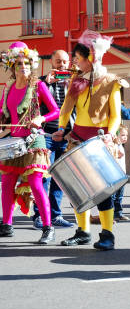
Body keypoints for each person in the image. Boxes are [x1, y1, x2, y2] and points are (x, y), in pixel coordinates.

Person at [54, 30, 126, 250]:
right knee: (77, 188)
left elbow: (115, 115)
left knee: (102, 190)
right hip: (77, 138)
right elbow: (66, 109)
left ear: (91, 58)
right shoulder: (76, 80)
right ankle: (83, 231)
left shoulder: (111, 81)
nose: (74, 61)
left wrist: (110, 134)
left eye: (78, 58)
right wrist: (59, 129)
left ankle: (107, 234)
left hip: (100, 141)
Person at [0, 42, 59, 244]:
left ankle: (47, 227)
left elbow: (55, 111)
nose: (23, 66)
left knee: (35, 183)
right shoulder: (7, 88)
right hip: (15, 141)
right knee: (7, 183)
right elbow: (2, 114)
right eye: (18, 63)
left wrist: (41, 119)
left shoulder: (38, 85)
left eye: (26, 62)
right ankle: (7, 225)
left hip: (34, 140)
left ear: (31, 63)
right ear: (12, 66)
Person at [31, 49, 75, 230]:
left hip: (66, 135)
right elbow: (31, 100)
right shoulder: (41, 82)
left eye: (65, 62)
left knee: (59, 178)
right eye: (58, 61)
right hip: (46, 135)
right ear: (51, 62)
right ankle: (40, 215)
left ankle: (56, 215)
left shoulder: (73, 82)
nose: (62, 65)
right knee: (43, 178)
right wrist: (44, 82)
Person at [111, 125, 130, 220]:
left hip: (122, 174)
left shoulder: (121, 146)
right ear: (116, 135)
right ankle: (110, 214)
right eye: (122, 135)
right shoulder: (114, 146)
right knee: (113, 196)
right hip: (115, 175)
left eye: (126, 135)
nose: (125, 137)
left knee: (119, 196)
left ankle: (118, 213)